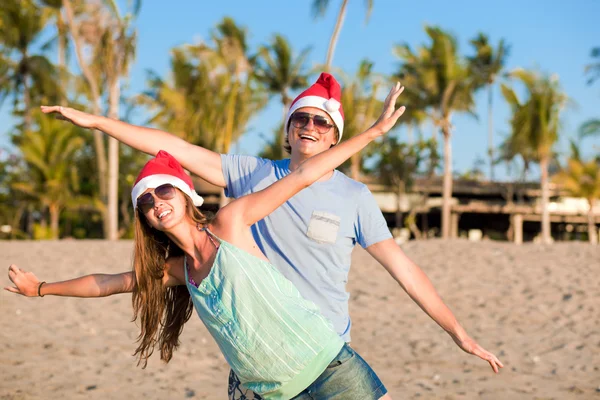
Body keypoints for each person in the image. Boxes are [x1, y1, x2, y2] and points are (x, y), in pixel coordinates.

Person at [39, 73, 503, 399]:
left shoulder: (355, 197)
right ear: (288, 128)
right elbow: (174, 150)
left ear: (335, 134)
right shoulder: (250, 173)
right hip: (260, 356)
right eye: (301, 119)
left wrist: (457, 332)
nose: (310, 127)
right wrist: (96, 122)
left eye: (322, 122)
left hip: (324, 351)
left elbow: (404, 270)